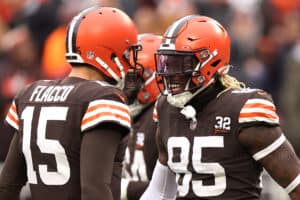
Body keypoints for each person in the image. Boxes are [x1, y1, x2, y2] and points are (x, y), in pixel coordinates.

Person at [140, 15, 300, 200]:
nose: (170, 74)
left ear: (211, 62)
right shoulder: (166, 108)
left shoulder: (242, 110)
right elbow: (160, 192)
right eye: (166, 63)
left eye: (180, 64)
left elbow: (295, 184)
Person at [0, 6, 139, 200]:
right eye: (127, 53)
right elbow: (94, 190)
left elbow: (7, 186)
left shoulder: (30, 93)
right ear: (110, 51)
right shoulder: (104, 98)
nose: (131, 62)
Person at [121, 33, 162, 200]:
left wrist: (123, 188)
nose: (123, 84)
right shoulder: (118, 113)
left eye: (131, 77)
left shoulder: (165, 117)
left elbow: (175, 187)